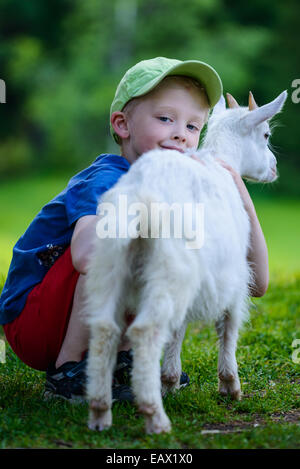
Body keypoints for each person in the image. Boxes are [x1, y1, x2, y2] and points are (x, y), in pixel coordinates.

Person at [0, 57, 269, 403]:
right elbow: (85, 255)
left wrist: (237, 187)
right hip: (34, 319)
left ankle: (121, 361)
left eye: (192, 127)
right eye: (165, 119)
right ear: (123, 125)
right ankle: (69, 371)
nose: (180, 135)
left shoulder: (179, 186)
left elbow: (256, 282)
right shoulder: (107, 177)